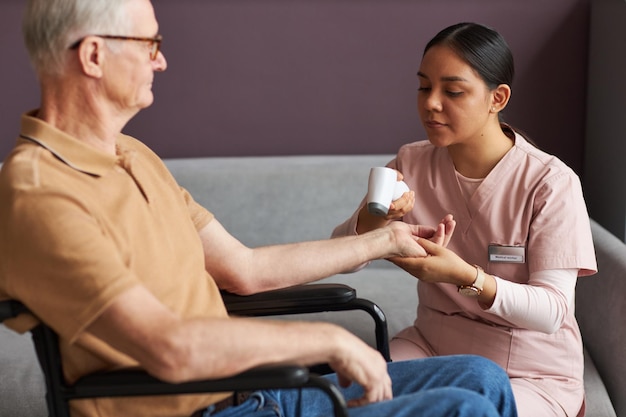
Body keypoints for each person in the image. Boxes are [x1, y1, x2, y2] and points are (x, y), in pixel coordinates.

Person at [0, 2, 519, 417]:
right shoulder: (41, 195)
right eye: (150, 43)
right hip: (203, 409)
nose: (161, 60)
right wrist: (327, 340)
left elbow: (244, 270)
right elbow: (169, 348)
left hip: (255, 392)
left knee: (484, 377)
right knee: (463, 408)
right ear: (93, 55)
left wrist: (385, 240)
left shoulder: (132, 155)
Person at [332, 22, 596, 417]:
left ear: (497, 97)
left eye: (452, 91)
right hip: (432, 346)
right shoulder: (410, 162)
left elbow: (552, 311)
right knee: (351, 400)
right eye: (424, 87)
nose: (431, 103)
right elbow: (340, 255)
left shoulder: (551, 183)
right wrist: (372, 224)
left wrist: (466, 277)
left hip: (529, 369)